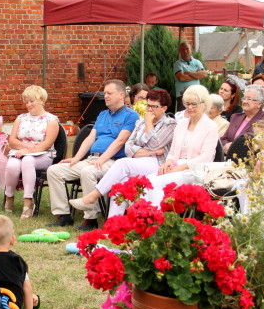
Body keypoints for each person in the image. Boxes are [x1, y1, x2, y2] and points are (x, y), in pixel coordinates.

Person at [47, 79, 138, 230]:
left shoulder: (131, 115)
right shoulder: (102, 114)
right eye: (105, 93)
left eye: (109, 93)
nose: (106, 96)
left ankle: (91, 219)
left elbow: (120, 141)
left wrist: (102, 160)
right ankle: (63, 215)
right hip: (92, 158)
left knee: (88, 172)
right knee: (54, 170)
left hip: (114, 162)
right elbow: (90, 138)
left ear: (121, 94)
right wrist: (75, 159)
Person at [69, 89, 176, 217]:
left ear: (164, 108)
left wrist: (148, 124)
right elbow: (128, 147)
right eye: (148, 105)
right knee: (121, 183)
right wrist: (149, 151)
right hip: (137, 161)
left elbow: (155, 143)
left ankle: (93, 196)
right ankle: (114, 223)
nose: (150, 110)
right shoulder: (140, 122)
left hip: (158, 164)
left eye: (154, 107)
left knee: (122, 163)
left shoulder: (170, 124)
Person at [137, 85, 219, 209]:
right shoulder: (181, 124)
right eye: (187, 103)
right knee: (146, 183)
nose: (189, 107)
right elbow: (173, 151)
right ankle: (143, 217)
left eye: (194, 104)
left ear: (203, 104)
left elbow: (206, 157)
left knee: (156, 183)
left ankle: (156, 219)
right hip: (177, 166)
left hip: (195, 171)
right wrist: (169, 162)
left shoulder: (210, 126)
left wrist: (179, 168)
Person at [3, 86, 59, 219]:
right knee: (12, 165)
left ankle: (28, 202)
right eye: (26, 102)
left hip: (43, 154)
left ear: (41, 100)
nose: (28, 105)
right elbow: (12, 140)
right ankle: (9, 196)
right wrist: (23, 147)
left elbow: (47, 143)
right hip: (20, 152)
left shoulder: (51, 120)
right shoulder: (21, 118)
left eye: (31, 101)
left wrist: (26, 151)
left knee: (27, 161)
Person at [222, 84, 264, 152]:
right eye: (244, 98)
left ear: (259, 103)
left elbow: (259, 144)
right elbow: (223, 138)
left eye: (249, 99)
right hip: (228, 157)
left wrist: (233, 146)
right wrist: (226, 146)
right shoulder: (235, 117)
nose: (245, 102)